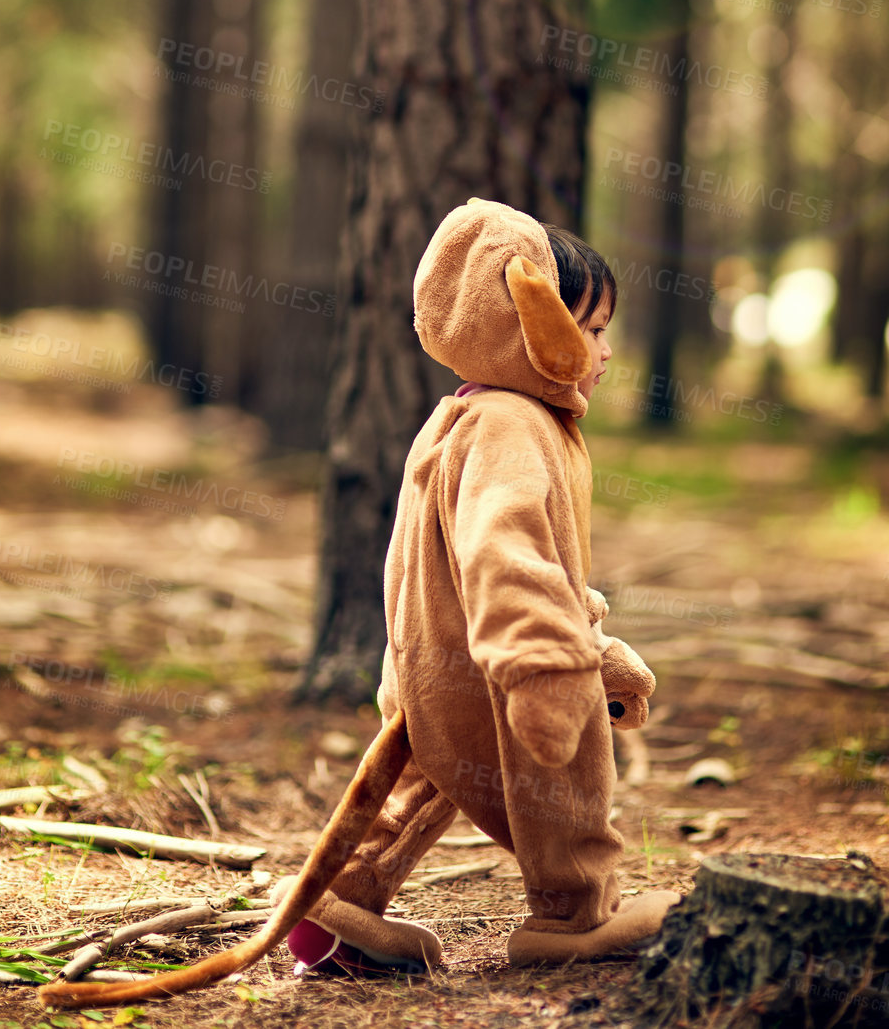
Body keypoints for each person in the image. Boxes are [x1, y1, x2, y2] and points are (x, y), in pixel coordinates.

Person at [281, 197, 680, 977]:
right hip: (507, 664)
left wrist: (595, 649)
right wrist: (548, 665)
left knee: (419, 776)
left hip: (441, 656)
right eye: (591, 329)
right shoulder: (510, 425)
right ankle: (574, 915)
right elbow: (507, 553)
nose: (604, 349)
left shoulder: (461, 413)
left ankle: (337, 907)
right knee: (563, 786)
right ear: (533, 321)